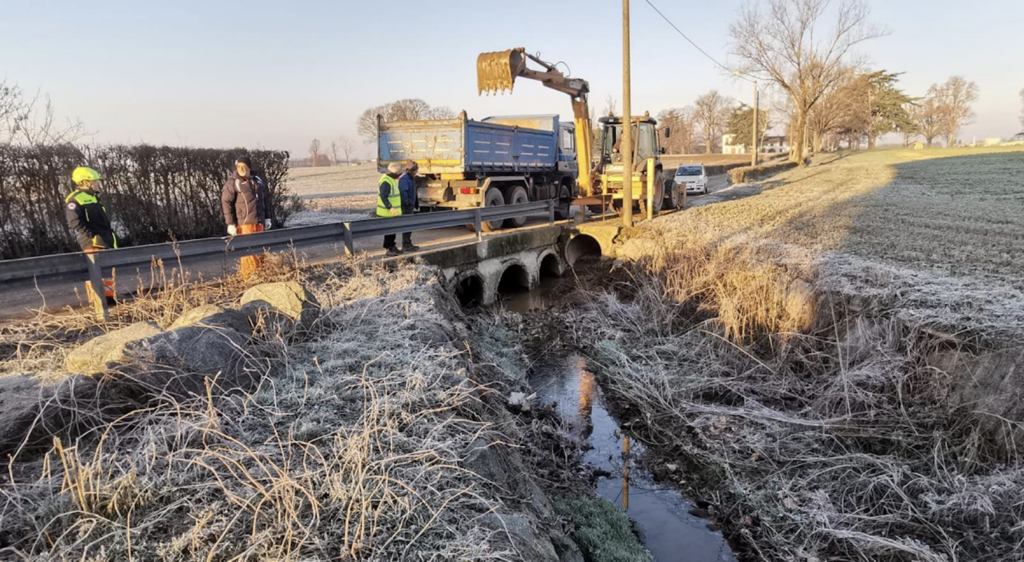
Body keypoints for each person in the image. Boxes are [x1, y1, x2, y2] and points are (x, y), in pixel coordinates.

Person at [65, 166, 118, 307]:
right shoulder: (75, 199)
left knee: (106, 272)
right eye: (94, 181)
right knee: (95, 273)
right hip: (92, 242)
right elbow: (74, 222)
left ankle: (109, 299)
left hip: (104, 240)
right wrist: (93, 236)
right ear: (84, 182)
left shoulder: (93, 197)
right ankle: (96, 302)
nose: (97, 184)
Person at [221, 155, 271, 279]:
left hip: (259, 222)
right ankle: (249, 278)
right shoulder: (233, 182)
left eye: (243, 166)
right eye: (239, 166)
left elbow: (264, 200)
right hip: (245, 223)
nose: (241, 169)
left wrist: (267, 217)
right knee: (249, 253)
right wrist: (230, 223)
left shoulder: (257, 180)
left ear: (249, 167)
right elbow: (226, 202)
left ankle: (261, 275)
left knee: (260, 251)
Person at [377, 162, 403, 256]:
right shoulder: (386, 181)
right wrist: (390, 207)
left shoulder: (391, 179)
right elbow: (384, 196)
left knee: (392, 232)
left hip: (392, 212)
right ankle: (388, 248)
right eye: (399, 173)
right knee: (389, 232)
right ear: (395, 173)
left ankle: (392, 246)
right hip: (387, 212)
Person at [398, 160, 420, 252]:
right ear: (411, 170)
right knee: (407, 225)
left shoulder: (410, 178)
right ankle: (406, 244)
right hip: (406, 206)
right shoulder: (405, 179)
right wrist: (407, 203)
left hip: (410, 205)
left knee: (409, 225)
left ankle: (408, 243)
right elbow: (403, 192)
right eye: (416, 170)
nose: (417, 172)